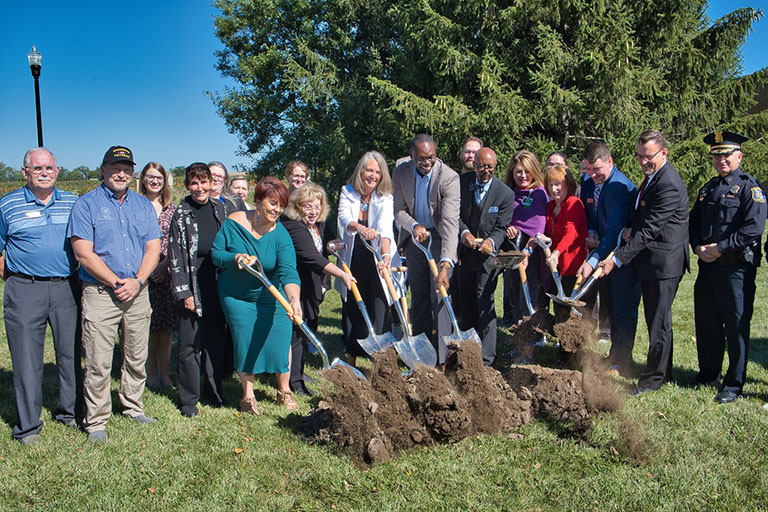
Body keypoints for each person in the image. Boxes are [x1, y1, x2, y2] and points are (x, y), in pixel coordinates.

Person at [67, 145, 161, 442]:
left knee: (136, 354)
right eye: (115, 167)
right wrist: (116, 281)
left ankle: (133, 405)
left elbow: (153, 248)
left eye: (126, 168)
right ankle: (96, 420)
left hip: (138, 291)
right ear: (103, 169)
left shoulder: (143, 206)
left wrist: (137, 280)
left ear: (132, 172)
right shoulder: (86, 205)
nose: (121, 173)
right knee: (98, 359)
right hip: (100, 293)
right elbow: (83, 253)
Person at [597, 130, 689, 393]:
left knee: (658, 320)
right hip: (651, 262)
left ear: (664, 153)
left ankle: (653, 380)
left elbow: (649, 230)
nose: (643, 161)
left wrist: (617, 258)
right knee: (657, 319)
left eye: (648, 156)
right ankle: (663, 370)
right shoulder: (653, 178)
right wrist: (629, 229)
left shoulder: (668, 183)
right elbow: (643, 219)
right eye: (639, 156)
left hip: (664, 263)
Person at [0, 148, 79, 445]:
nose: (44, 173)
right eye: (37, 168)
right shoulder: (7, 205)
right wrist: (17, 278)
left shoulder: (73, 202)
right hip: (24, 288)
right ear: (25, 172)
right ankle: (28, 425)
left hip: (66, 286)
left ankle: (69, 412)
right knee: (25, 358)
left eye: (49, 168)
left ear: (57, 171)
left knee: (70, 353)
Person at [212, 177, 301, 413]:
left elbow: (288, 271)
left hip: (272, 295)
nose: (277, 209)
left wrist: (294, 299)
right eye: (273, 203)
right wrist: (236, 258)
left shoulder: (281, 234)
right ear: (258, 202)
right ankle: (248, 394)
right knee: (245, 337)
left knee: (281, 337)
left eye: (281, 205)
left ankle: (284, 390)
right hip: (237, 296)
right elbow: (216, 254)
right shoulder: (233, 223)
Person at [689, 131, 767, 403]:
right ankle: (708, 372)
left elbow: (753, 229)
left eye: (726, 155)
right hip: (708, 268)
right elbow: (694, 223)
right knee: (707, 323)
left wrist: (720, 248)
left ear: (739, 156)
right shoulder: (708, 188)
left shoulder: (749, 188)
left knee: (735, 327)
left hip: (735, 270)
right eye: (716, 155)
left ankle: (733, 384)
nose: (721, 160)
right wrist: (698, 247)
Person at [169, 163, 233, 417]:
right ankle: (188, 400)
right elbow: (175, 255)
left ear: (211, 183)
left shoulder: (220, 209)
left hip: (216, 283)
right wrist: (184, 293)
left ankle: (214, 392)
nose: (200, 188)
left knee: (215, 341)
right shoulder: (181, 213)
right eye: (194, 183)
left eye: (204, 182)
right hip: (192, 283)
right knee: (189, 345)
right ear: (187, 185)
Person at [392, 134, 460, 367]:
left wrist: (445, 265)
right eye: (421, 159)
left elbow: (451, 223)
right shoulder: (401, 171)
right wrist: (413, 226)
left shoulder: (449, 177)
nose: (427, 163)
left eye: (431, 157)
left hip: (439, 236)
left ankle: (442, 360)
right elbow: (399, 210)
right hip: (414, 239)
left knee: (439, 296)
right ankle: (422, 356)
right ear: (412, 156)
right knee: (419, 296)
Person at [282, 183, 354, 394]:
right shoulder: (293, 226)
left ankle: (299, 373)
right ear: (297, 206)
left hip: (312, 286)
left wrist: (332, 245)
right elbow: (310, 256)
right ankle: (294, 384)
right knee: (297, 333)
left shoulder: (316, 224)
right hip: (297, 285)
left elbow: (324, 243)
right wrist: (341, 273)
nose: (313, 211)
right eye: (307, 206)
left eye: (316, 206)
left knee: (307, 329)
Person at [578, 141, 641, 376]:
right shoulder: (588, 181)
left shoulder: (620, 188)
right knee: (611, 308)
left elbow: (614, 230)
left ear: (610, 162)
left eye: (597, 169)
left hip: (622, 258)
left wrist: (592, 261)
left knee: (623, 310)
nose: (593, 175)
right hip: (603, 254)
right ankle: (615, 354)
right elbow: (591, 211)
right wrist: (592, 230)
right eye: (588, 169)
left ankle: (621, 362)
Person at [456, 147, 515, 365]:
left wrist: (491, 242)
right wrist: (464, 234)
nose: (485, 171)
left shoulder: (505, 193)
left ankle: (487, 358)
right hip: (465, 254)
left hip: (488, 259)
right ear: (474, 164)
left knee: (484, 301)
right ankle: (467, 353)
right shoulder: (462, 183)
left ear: (495, 167)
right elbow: (455, 214)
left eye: (490, 167)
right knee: (466, 304)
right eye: (481, 166)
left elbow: (501, 227)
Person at [337, 151, 397, 365]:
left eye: (377, 172)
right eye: (369, 170)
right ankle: (352, 358)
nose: (373, 175)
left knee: (380, 305)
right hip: (353, 257)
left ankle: (381, 362)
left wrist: (387, 256)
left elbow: (385, 228)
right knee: (353, 306)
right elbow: (345, 218)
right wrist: (361, 228)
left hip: (377, 257)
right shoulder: (348, 192)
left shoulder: (385, 198)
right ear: (360, 171)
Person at [525, 164, 587, 321]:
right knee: (549, 303)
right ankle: (548, 336)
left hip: (570, 265)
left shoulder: (574, 203)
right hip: (553, 265)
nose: (554, 189)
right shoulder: (551, 206)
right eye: (551, 184)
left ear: (567, 184)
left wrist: (557, 253)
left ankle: (567, 344)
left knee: (564, 309)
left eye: (558, 184)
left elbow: (571, 233)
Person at [138, 162, 176, 389]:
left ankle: (165, 372)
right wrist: (149, 270)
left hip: (168, 273)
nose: (154, 181)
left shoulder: (171, 208)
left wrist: (164, 266)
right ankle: (149, 372)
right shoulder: (134, 205)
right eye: (150, 177)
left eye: (159, 178)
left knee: (167, 328)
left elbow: (175, 241)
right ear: (142, 179)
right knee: (150, 328)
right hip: (143, 275)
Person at [501, 150, 549, 330]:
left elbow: (538, 228)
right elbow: (502, 218)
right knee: (512, 294)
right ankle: (518, 336)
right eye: (518, 171)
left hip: (531, 252)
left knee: (528, 297)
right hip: (511, 250)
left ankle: (532, 338)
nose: (523, 176)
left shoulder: (539, 194)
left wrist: (527, 252)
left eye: (527, 171)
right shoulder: (507, 193)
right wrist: (507, 227)